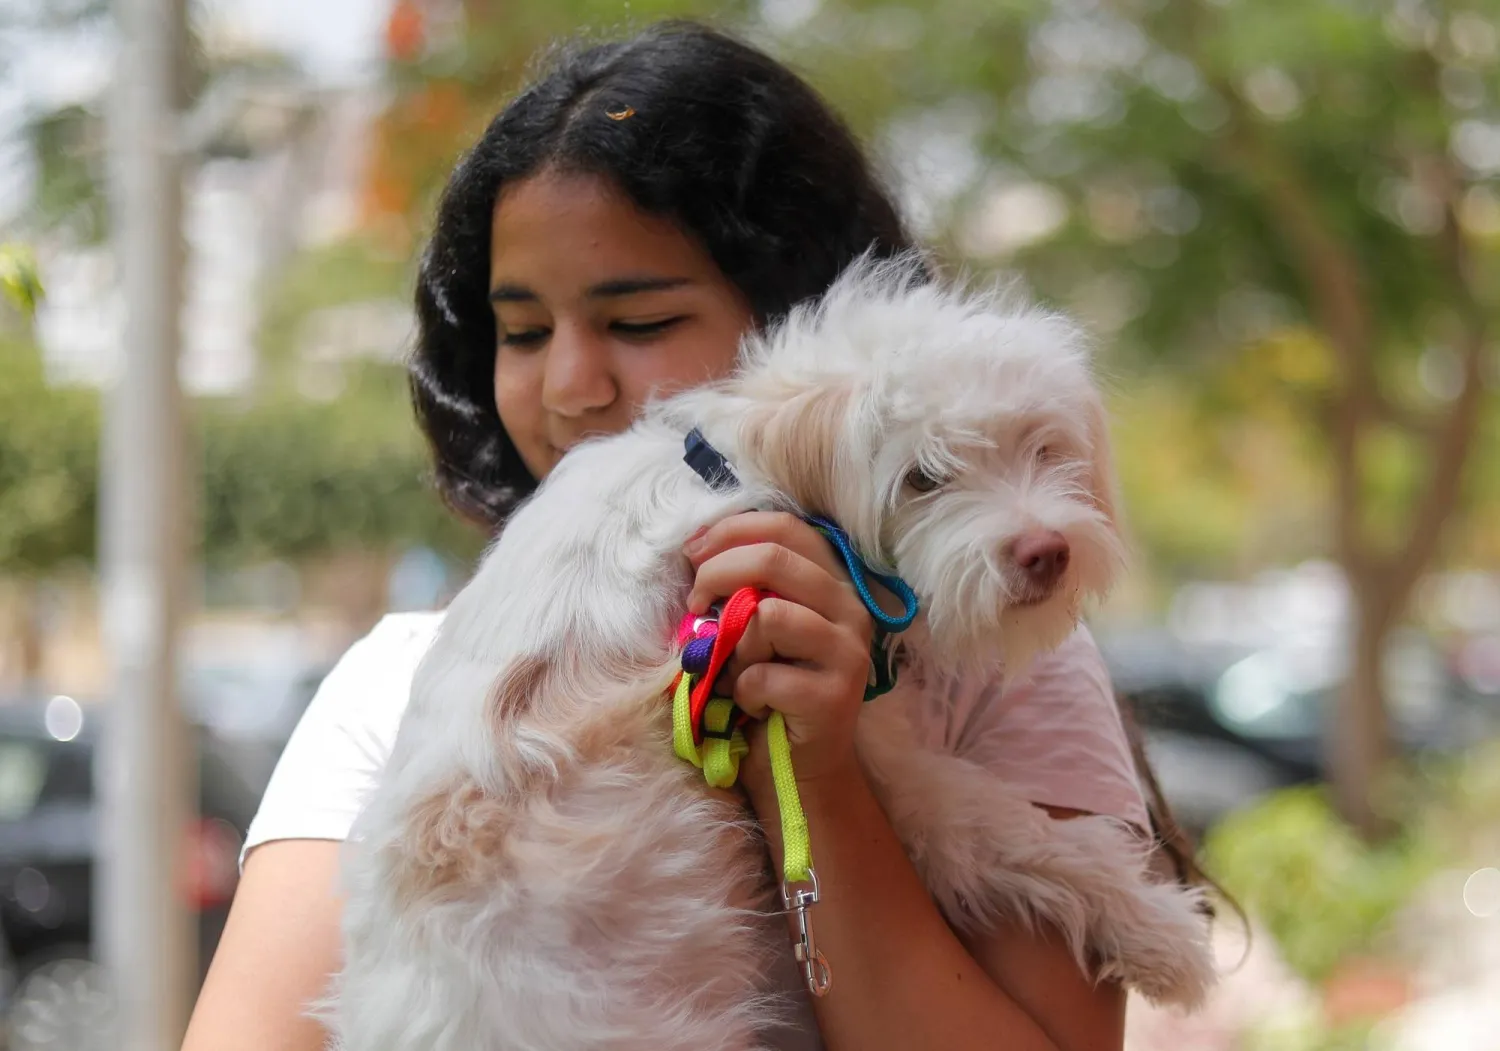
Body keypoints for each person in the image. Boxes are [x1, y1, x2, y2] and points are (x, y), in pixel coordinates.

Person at [182, 20, 1208, 1051]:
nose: (575, 384)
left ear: (790, 322)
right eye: (525, 333)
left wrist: (818, 770)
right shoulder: (400, 691)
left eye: (639, 323)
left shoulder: (1001, 670)